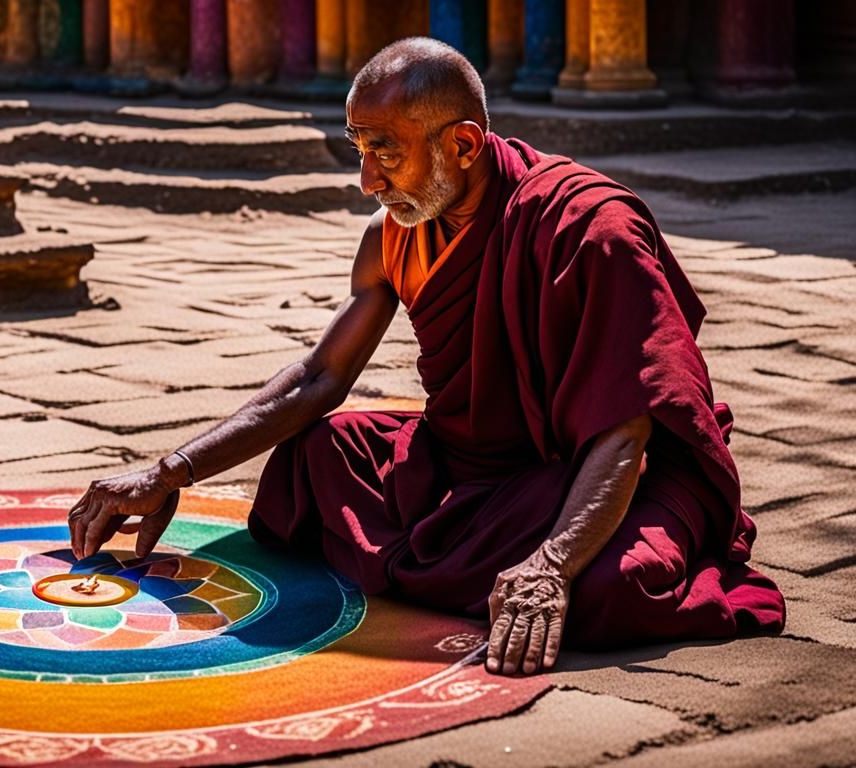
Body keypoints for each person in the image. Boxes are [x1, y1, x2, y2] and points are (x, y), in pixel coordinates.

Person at [64, 37, 785, 677]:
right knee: (312, 462)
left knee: (607, 593)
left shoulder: (591, 229)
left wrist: (552, 566)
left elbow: (626, 427)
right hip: (474, 467)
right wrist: (168, 471)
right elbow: (319, 378)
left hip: (602, 472)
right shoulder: (396, 235)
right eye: (358, 148)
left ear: (464, 145)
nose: (367, 181)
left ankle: (498, 565)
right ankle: (472, 561)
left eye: (385, 151)